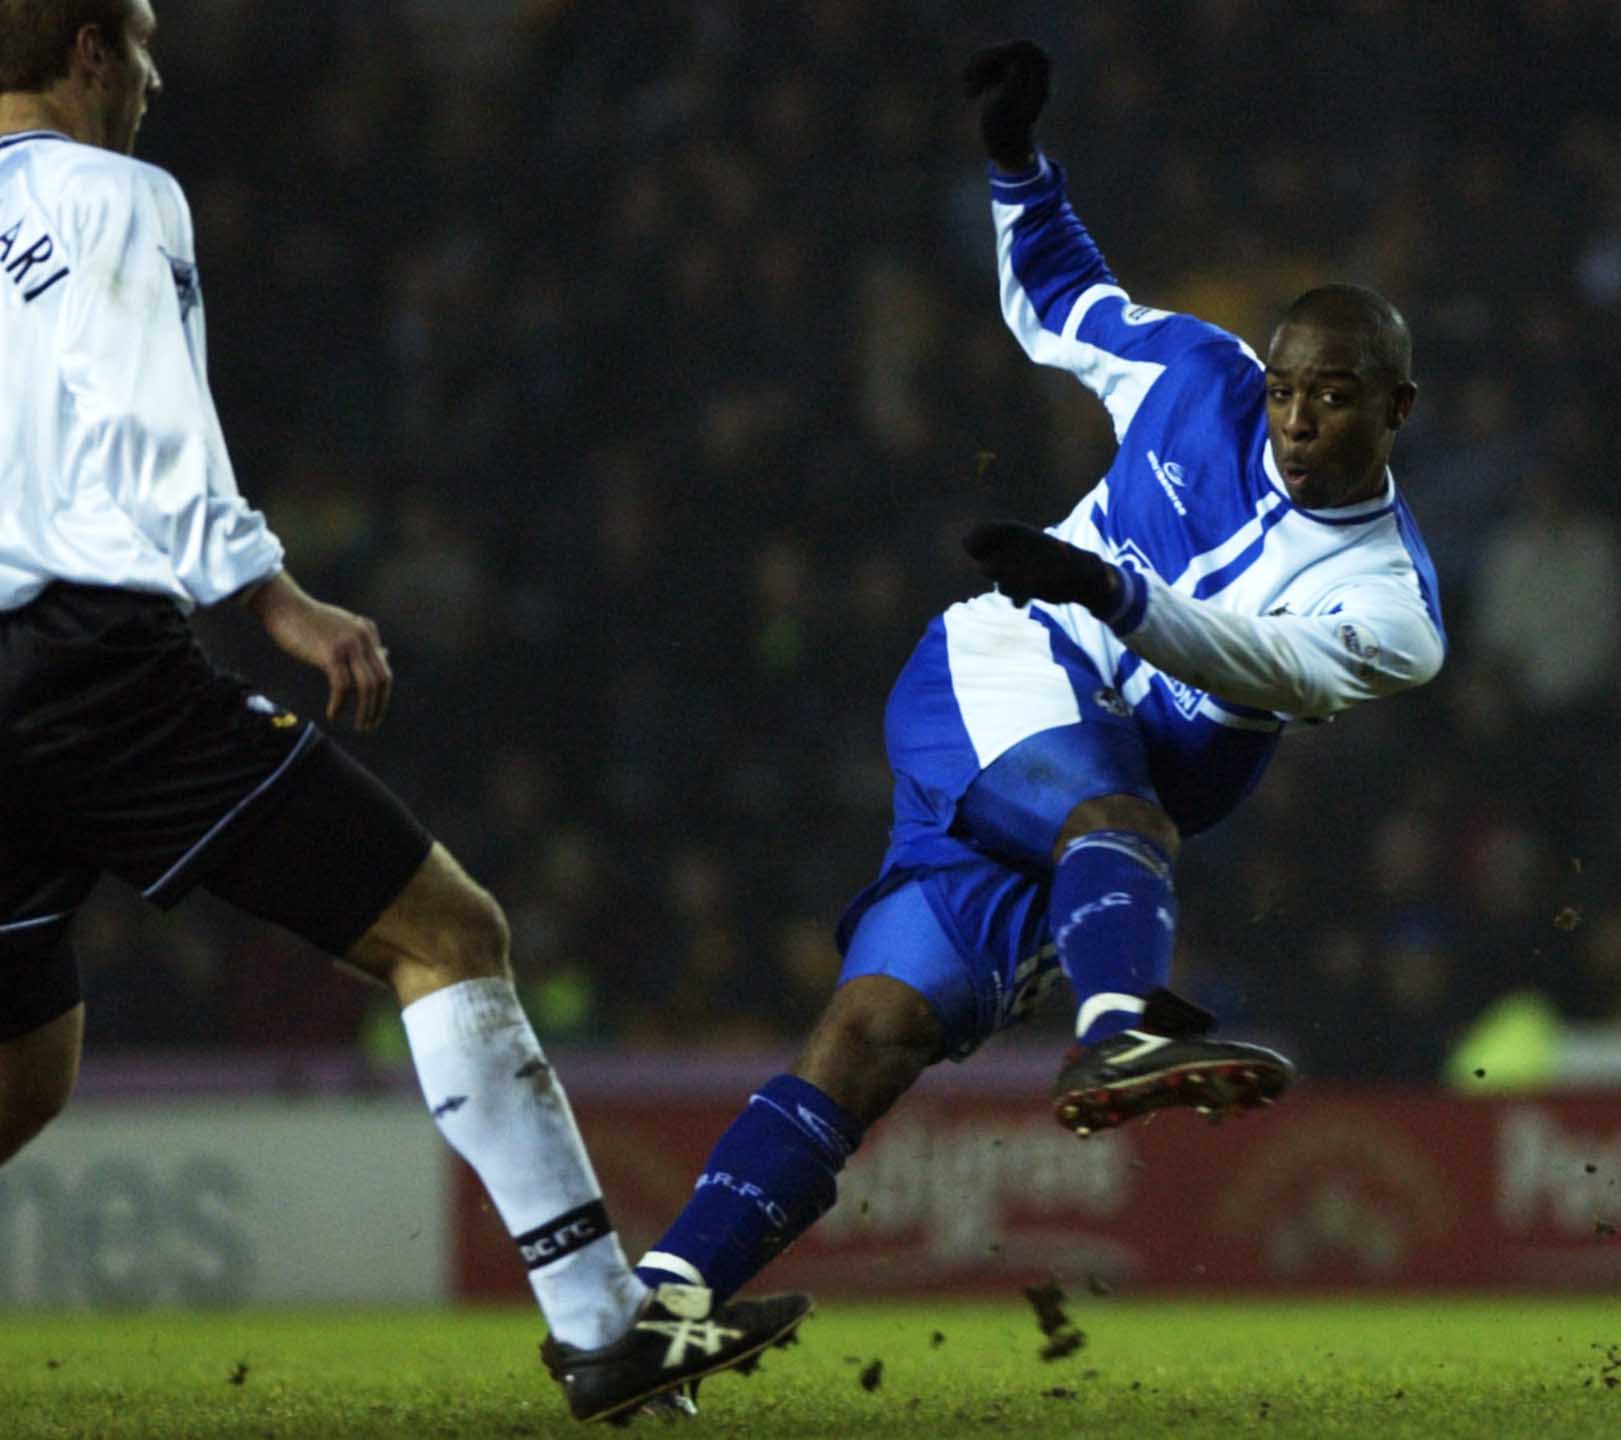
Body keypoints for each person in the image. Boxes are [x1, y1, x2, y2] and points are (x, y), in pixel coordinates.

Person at [0, 3, 804, 1422]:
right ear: (83, 52)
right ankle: (605, 1322)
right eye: (137, 38)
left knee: (21, 1071)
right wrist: (272, 597)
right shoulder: (108, 193)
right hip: (89, 671)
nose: (157, 71)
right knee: (447, 931)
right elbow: (143, 414)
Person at [624, 39, 1445, 1305]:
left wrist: (1117, 588)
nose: (1291, 417)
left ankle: (662, 1301)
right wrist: (1016, 162)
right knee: (1118, 810)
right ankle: (1119, 1028)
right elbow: (1062, 300)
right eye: (1284, 388)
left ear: (1397, 408)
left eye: (1331, 397)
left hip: (1072, 823)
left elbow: (1270, 665)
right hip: (1007, 665)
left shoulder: (1392, 606)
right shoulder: (1194, 374)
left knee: (872, 1038)